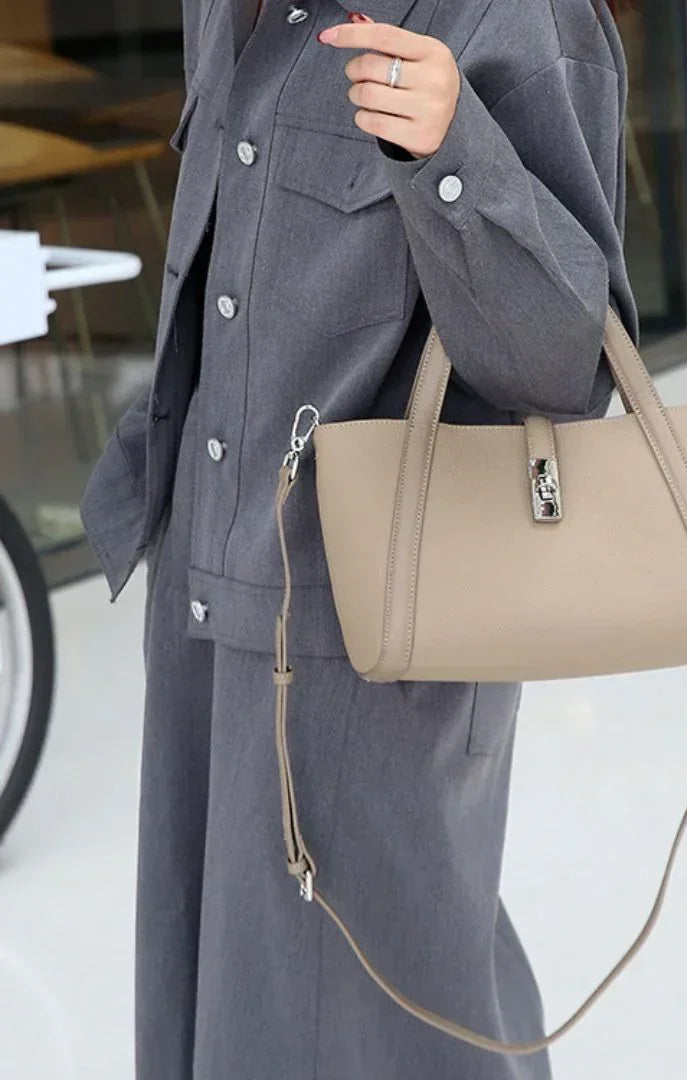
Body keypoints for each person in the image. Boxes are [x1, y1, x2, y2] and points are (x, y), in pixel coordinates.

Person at [78, 0, 637, 1077]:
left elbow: (568, 369)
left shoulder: (514, 17)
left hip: (374, 642)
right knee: (214, 1005)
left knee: (403, 1009)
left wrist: (452, 155)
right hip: (204, 600)